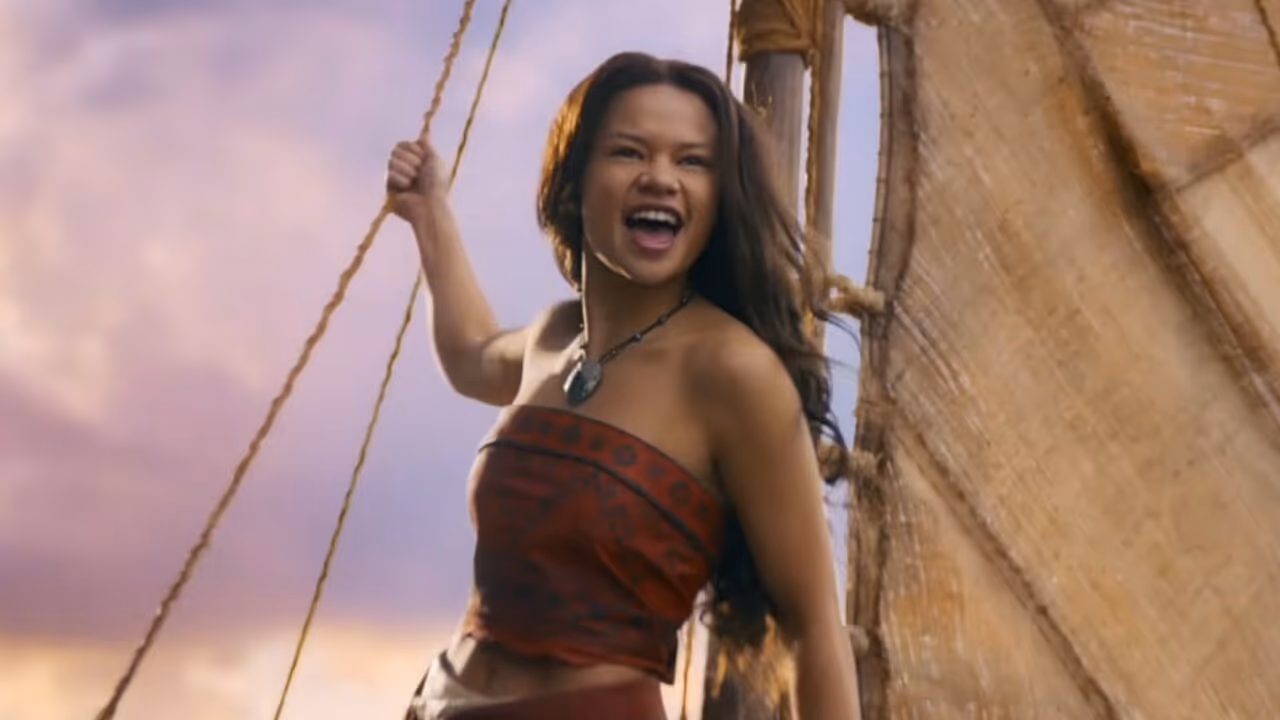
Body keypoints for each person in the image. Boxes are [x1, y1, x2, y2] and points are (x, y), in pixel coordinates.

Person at [386, 51, 861, 720]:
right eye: (629, 152)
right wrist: (429, 212)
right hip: (436, 702)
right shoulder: (554, 336)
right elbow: (471, 354)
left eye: (692, 161)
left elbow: (813, 625)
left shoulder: (734, 371)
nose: (660, 178)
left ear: (720, 197)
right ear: (574, 181)